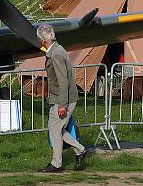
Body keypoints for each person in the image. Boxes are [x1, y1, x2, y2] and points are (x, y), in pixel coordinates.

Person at [37, 24, 87, 173]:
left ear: (42, 39)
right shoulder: (56, 50)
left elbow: (63, 81)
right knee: (57, 129)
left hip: (63, 99)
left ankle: (65, 158)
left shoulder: (56, 54)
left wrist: (62, 104)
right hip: (63, 97)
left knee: (55, 130)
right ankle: (74, 154)